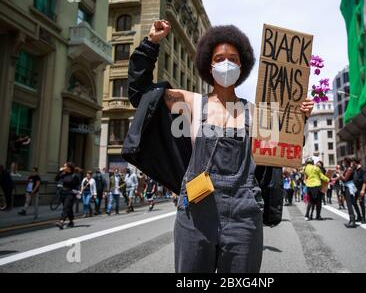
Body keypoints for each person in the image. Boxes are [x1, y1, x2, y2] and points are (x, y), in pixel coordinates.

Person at [127, 20, 314, 273]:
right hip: (195, 211)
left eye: (233, 58)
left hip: (244, 214)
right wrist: (152, 43)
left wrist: (299, 119)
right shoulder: (190, 103)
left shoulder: (259, 114)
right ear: (209, 64)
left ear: (242, 65)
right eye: (219, 58)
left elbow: (287, 150)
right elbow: (141, 94)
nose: (226, 63)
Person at [55, 162, 81, 229]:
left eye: (65, 166)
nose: (63, 167)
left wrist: (77, 192)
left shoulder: (75, 176)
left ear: (69, 168)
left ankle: (61, 221)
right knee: (68, 208)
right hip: (63, 193)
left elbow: (78, 185)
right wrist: (60, 172)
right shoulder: (63, 174)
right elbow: (56, 179)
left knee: (66, 208)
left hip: (70, 193)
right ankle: (71, 221)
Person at [340, 158, 362, 228]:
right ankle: (353, 219)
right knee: (351, 203)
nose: (343, 163)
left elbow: (344, 179)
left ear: (346, 162)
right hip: (348, 187)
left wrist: (339, 173)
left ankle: (352, 221)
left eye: (344, 162)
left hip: (349, 188)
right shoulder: (347, 169)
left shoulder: (349, 169)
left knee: (349, 204)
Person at [353, 159, 366, 223]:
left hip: (360, 189)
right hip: (355, 189)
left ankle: (364, 218)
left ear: (356, 163)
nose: (353, 165)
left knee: (361, 203)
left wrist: (362, 190)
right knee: (353, 202)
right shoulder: (355, 170)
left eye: (353, 163)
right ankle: (359, 216)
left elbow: (365, 181)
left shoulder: (363, 170)